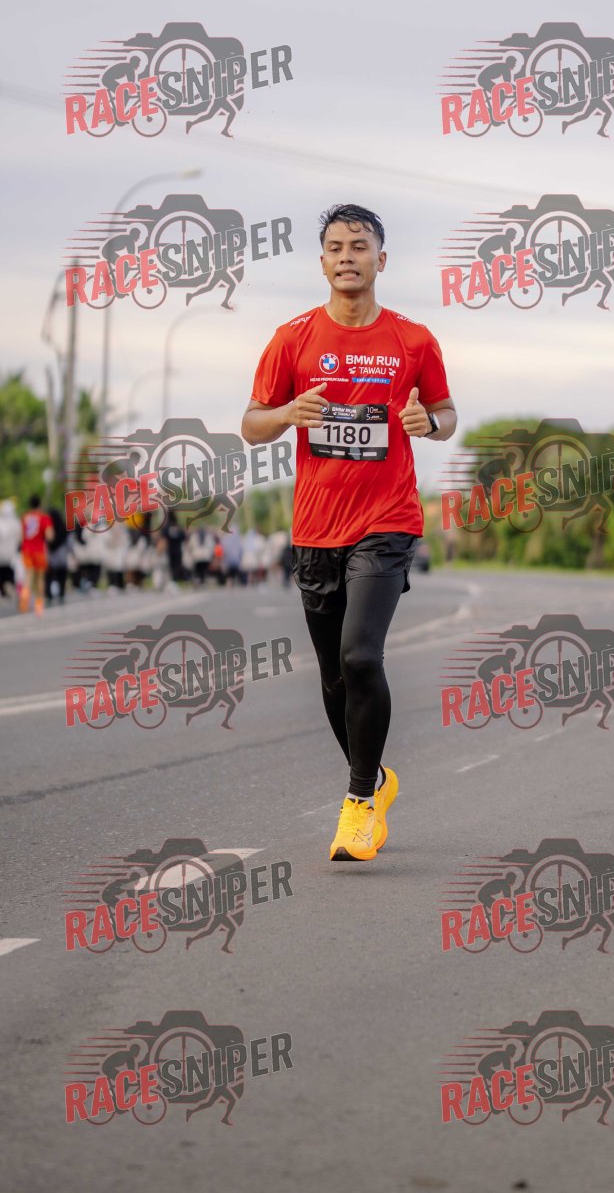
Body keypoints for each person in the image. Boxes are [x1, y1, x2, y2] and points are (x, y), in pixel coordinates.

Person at [242, 203, 456, 862]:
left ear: (380, 259)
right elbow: (251, 424)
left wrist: (429, 424)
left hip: (387, 521)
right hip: (316, 527)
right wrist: (287, 412)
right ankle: (377, 778)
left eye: (359, 246)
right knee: (336, 676)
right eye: (335, 247)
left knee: (362, 656)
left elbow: (446, 412)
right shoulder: (293, 338)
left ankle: (360, 801)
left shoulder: (413, 340)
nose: (346, 257)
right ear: (322, 261)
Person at [19, 495, 54, 614]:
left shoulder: (25, 517)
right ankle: (39, 604)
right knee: (40, 577)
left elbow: (21, 535)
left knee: (28, 575)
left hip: (26, 550)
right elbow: (49, 536)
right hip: (39, 550)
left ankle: (24, 599)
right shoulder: (44, 518)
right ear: (39, 504)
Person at [45, 506, 70, 604]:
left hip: (51, 557)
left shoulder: (49, 528)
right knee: (62, 577)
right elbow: (69, 542)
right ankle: (61, 593)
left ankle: (49, 594)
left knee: (49, 577)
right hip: (62, 556)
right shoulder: (64, 527)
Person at [0, 499, 21, 599]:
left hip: (1, 555)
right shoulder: (16, 523)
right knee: (10, 572)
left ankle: (3, 589)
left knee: (1, 572)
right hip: (11, 554)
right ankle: (9, 585)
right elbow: (19, 538)